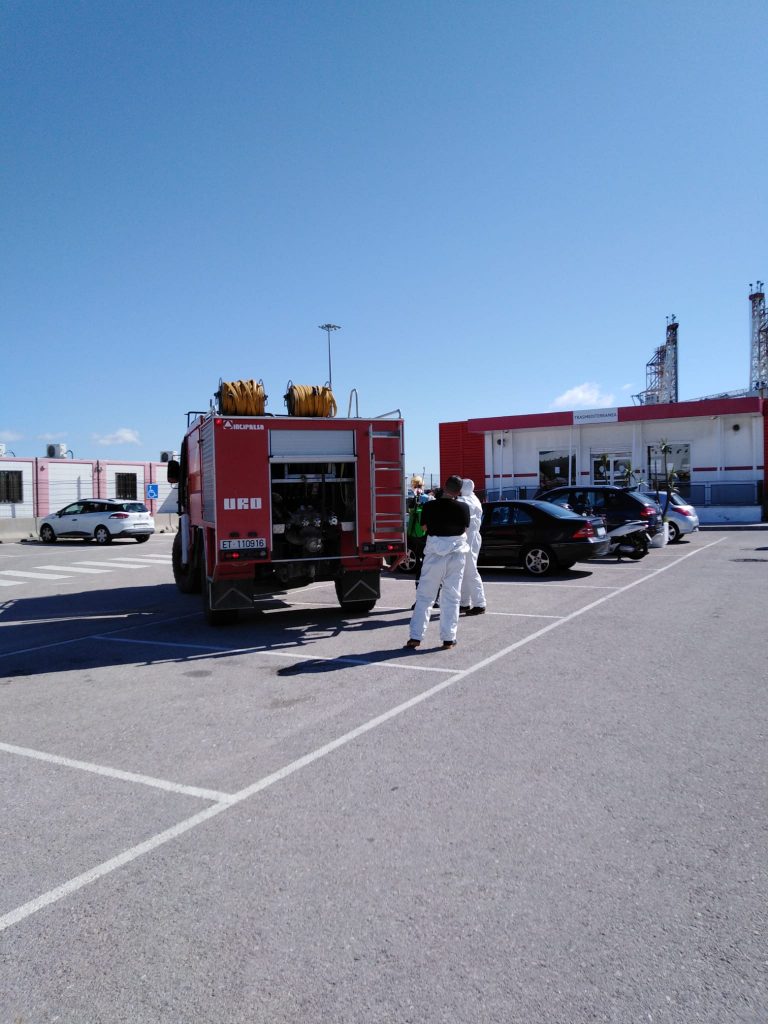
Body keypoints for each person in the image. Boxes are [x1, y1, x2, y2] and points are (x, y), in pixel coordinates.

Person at [404, 475, 469, 650]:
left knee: (425, 596)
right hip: (456, 554)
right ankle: (449, 638)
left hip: (434, 554)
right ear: (458, 491)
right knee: (452, 596)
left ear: (445, 487)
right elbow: (464, 529)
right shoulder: (464, 507)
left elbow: (424, 527)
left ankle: (415, 637)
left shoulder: (429, 506)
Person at [458, 478, 487, 615]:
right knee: (465, 571)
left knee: (470, 570)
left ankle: (480, 603)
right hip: (471, 537)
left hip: (469, 538)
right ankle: (464, 602)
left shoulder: (466, 501)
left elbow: (457, 504)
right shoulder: (473, 498)